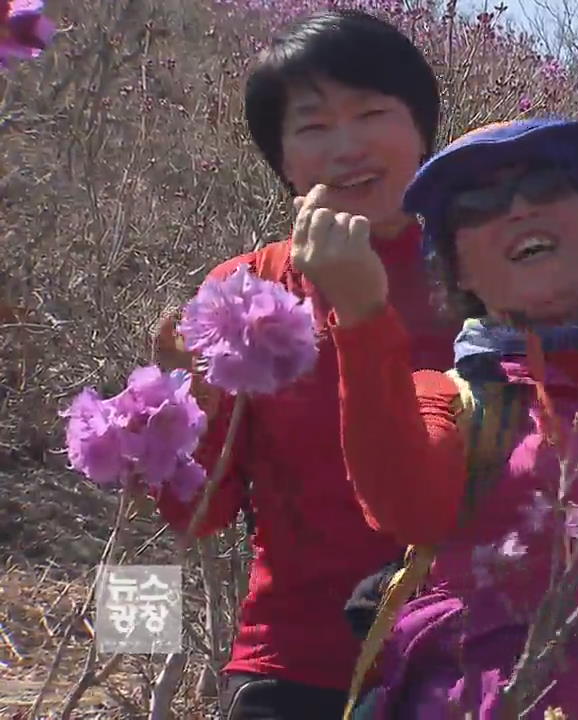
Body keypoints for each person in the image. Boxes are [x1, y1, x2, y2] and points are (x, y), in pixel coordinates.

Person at [290, 117, 578, 718]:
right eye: (480, 204)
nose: (521, 208)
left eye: (548, 184)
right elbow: (408, 506)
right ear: (460, 269)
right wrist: (363, 314)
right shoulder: (451, 395)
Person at [148, 10, 459, 719]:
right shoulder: (247, 289)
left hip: (463, 663)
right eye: (313, 127)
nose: (346, 147)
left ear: (421, 130)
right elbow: (197, 513)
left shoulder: (484, 272)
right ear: (283, 162)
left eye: (372, 113)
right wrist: (184, 410)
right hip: (291, 668)